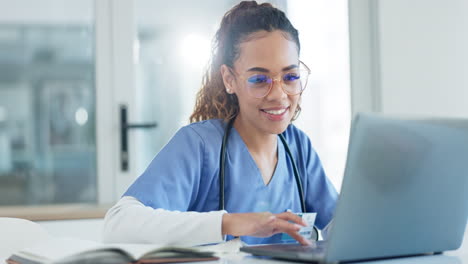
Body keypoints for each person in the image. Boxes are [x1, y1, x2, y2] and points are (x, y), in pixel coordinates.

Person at [103, 1, 337, 246]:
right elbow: (118, 224)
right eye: (259, 79)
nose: (278, 94)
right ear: (229, 79)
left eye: (290, 77)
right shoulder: (200, 146)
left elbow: (344, 227)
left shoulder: (298, 147)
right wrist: (230, 223)